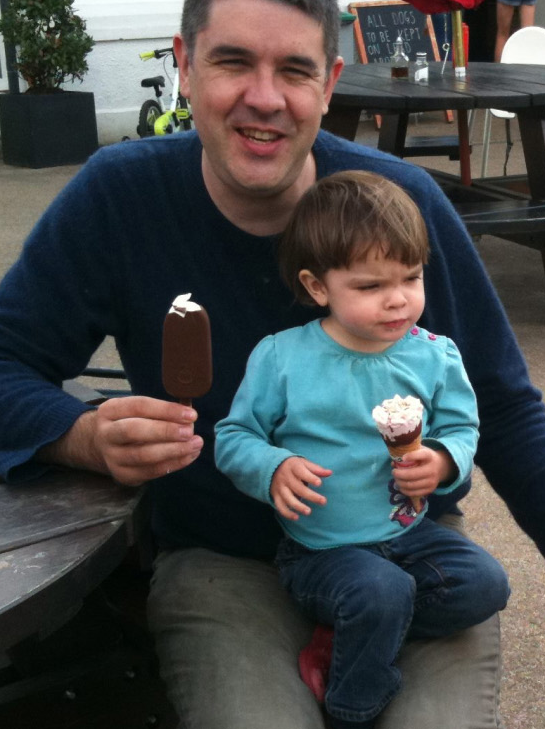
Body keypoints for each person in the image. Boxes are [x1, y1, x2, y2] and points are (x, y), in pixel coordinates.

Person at [0, 0, 545, 729]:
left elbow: (500, 401)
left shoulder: (399, 202)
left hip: (402, 541)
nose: (264, 98)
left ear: (328, 82)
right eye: (232, 63)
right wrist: (80, 437)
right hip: (223, 558)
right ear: (185, 66)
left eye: (293, 70)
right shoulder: (122, 199)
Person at [215, 171, 510, 728]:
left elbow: (464, 428)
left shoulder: (435, 355)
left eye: (411, 277)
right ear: (318, 286)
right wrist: (272, 466)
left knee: (485, 585)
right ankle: (352, 706)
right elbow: (233, 437)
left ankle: (354, 632)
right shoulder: (282, 357)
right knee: (380, 591)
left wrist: (444, 462)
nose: (398, 300)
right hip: (320, 551)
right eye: (371, 286)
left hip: (410, 534)